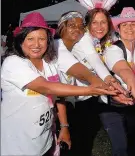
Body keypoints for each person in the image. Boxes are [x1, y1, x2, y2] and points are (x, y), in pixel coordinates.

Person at [1, 12, 116, 156]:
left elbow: (58, 94)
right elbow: (46, 86)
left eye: (42, 39)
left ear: (48, 41)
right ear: (20, 40)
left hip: (45, 139)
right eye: (30, 38)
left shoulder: (48, 62)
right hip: (18, 144)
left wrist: (64, 126)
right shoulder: (13, 63)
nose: (36, 44)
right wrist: (91, 90)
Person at [67, 0, 127, 156]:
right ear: (87, 25)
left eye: (103, 22)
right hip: (75, 100)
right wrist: (113, 85)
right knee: (78, 142)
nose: (99, 27)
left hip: (91, 97)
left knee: (87, 140)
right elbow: (94, 61)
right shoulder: (84, 39)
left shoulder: (102, 42)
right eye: (95, 22)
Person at [54, 10, 120, 156]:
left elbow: (95, 61)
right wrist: (111, 89)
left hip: (86, 101)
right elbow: (83, 72)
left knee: (85, 142)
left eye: (80, 26)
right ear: (61, 27)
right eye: (71, 25)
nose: (77, 29)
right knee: (68, 146)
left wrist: (110, 82)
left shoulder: (83, 41)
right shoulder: (56, 46)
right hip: (62, 105)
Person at [102, 7, 135, 156]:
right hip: (112, 106)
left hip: (133, 104)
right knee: (120, 148)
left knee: (133, 143)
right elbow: (123, 69)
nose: (129, 28)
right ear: (118, 29)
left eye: (133, 24)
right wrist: (133, 82)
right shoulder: (113, 50)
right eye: (125, 25)